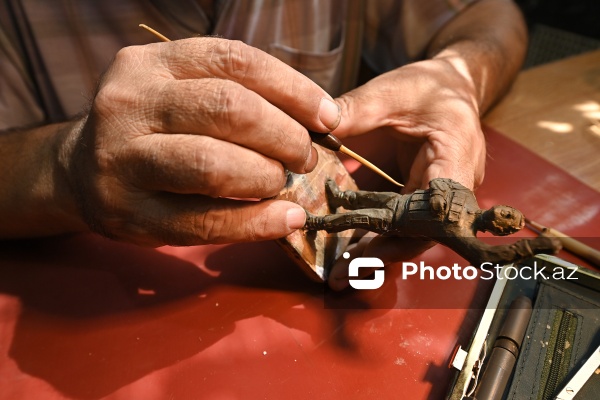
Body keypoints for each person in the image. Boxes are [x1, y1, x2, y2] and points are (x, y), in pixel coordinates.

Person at [0, 1, 528, 286]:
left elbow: (489, 14)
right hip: (92, 291)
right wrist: (66, 163)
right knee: (350, 212)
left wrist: (459, 75)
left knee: (358, 209)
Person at [305, 178, 561, 267]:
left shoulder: (462, 234)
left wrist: (533, 247)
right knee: (364, 197)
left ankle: (317, 223)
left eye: (509, 221)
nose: (506, 215)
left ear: (502, 232)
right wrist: (438, 193)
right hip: (402, 200)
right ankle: (340, 196)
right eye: (510, 211)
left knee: (357, 218)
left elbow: (487, 258)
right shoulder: (468, 195)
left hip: (397, 221)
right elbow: (442, 181)